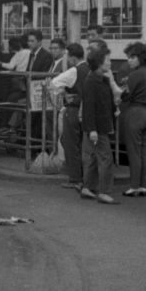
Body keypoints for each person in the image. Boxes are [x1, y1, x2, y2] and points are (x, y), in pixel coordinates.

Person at [80, 48, 118, 204]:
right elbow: (89, 107)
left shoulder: (102, 79)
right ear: (99, 63)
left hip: (100, 125)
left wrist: (115, 109)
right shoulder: (91, 82)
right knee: (106, 158)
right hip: (98, 127)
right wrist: (92, 129)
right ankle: (104, 191)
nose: (110, 62)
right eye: (107, 60)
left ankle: (87, 187)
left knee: (93, 158)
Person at [48, 42, 87, 189]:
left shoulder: (74, 71)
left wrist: (65, 93)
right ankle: (85, 176)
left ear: (72, 57)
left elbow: (53, 83)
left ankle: (75, 178)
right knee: (84, 144)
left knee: (69, 142)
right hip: (87, 110)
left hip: (74, 110)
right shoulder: (90, 68)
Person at [121, 42, 146, 197]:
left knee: (134, 151)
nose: (129, 60)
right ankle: (144, 185)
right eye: (128, 57)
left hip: (135, 112)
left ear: (140, 58)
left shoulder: (135, 74)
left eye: (132, 57)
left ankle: (134, 185)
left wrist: (122, 87)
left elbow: (125, 96)